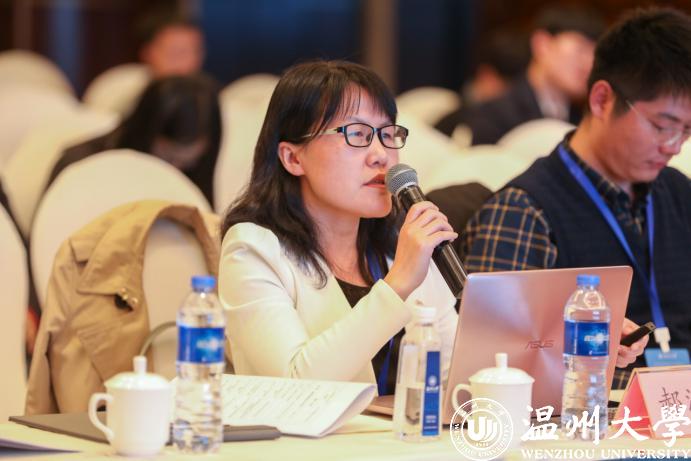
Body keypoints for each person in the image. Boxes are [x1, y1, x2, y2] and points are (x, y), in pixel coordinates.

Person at [462, 7, 691, 387]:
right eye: (661, 126)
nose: (674, 146)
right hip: (591, 417)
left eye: (686, 131)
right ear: (602, 100)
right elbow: (491, 372)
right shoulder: (524, 211)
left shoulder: (679, 194)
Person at [218, 60, 458, 394]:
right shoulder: (252, 250)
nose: (381, 155)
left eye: (388, 134)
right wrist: (398, 284)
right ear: (293, 158)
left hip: (406, 429)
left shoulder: (398, 244)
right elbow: (296, 384)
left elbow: (456, 372)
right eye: (357, 134)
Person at [436, 5, 605, 145]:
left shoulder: (583, 123)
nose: (588, 64)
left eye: (594, 56)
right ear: (543, 44)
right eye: (581, 50)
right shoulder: (493, 116)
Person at [48, 73, 222, 207]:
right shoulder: (81, 165)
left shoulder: (199, 170)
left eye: (188, 163)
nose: (175, 170)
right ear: (143, 133)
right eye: (168, 157)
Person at [136, 9, 205, 78]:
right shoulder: (132, 83)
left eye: (195, 52)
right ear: (147, 53)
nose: (185, 63)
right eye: (174, 53)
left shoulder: (206, 83)